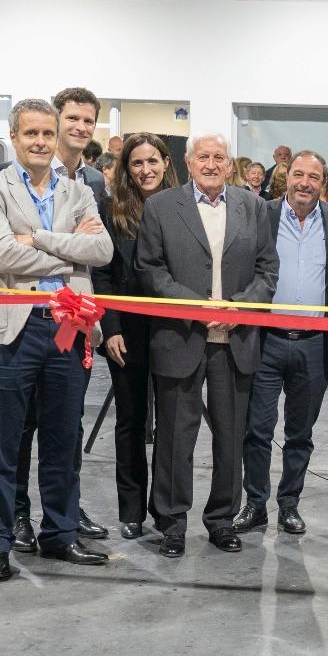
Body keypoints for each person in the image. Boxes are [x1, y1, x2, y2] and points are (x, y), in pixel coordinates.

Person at [0, 98, 114, 581]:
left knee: (62, 441)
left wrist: (39, 238)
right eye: (29, 133)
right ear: (13, 137)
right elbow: (2, 254)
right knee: (3, 445)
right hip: (10, 331)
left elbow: (102, 249)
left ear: (56, 141)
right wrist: (67, 251)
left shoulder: (78, 191)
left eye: (46, 135)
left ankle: (60, 534)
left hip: (67, 331)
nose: (39, 142)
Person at [135, 132, 280, 558]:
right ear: (188, 161)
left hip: (234, 341)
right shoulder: (160, 207)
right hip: (181, 337)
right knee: (176, 439)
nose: (212, 164)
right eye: (204, 157)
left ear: (230, 164)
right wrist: (196, 306)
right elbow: (151, 269)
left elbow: (268, 270)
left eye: (219, 157)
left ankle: (221, 520)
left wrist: (237, 307)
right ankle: (172, 524)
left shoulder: (253, 207)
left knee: (230, 438)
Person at [233, 151, 328, 537]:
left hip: (315, 344)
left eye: (314, 176)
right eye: (299, 174)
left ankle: (289, 504)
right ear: (286, 176)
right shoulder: (262, 214)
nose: (305, 182)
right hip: (267, 341)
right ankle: (254, 504)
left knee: (300, 432)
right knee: (258, 428)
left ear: (323, 183)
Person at [91, 133, 179, 539]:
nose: (146, 170)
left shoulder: (183, 209)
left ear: (165, 163)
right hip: (125, 331)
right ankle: (131, 510)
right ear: (127, 169)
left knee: (171, 423)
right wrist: (110, 328)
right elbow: (103, 274)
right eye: (137, 163)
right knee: (130, 421)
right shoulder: (111, 211)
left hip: (172, 331)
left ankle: (164, 509)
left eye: (152, 161)